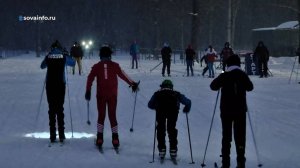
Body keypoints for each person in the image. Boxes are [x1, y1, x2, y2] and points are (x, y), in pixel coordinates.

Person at [85, 45, 139, 149]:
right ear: (110, 55)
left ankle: (100, 138)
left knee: (101, 116)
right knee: (112, 116)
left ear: (100, 55)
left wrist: (88, 90)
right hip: (112, 95)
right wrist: (133, 83)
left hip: (101, 95)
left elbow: (89, 78)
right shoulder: (115, 65)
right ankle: (115, 139)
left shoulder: (96, 66)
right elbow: (123, 75)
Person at [210, 54, 254, 168]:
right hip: (240, 110)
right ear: (239, 64)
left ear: (228, 64)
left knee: (226, 136)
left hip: (226, 110)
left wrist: (223, 75)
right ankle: (241, 162)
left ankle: (226, 163)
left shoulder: (225, 74)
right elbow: (250, 87)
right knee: (240, 136)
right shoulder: (242, 74)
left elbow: (213, 86)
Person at [40, 40, 75, 143]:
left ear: (52, 48)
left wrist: (48, 56)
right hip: (60, 85)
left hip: (50, 85)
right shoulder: (63, 56)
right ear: (60, 48)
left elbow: (42, 66)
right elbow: (73, 63)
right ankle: (61, 134)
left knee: (51, 109)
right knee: (60, 109)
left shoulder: (49, 56)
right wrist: (67, 54)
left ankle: (52, 135)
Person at [148, 79, 191, 159]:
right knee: (171, 129)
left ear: (162, 86)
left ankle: (162, 149)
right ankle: (173, 149)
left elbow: (150, 104)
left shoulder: (157, 93)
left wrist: (155, 107)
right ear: (171, 86)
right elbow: (188, 102)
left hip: (160, 112)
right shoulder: (176, 94)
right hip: (173, 112)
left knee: (161, 129)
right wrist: (186, 108)